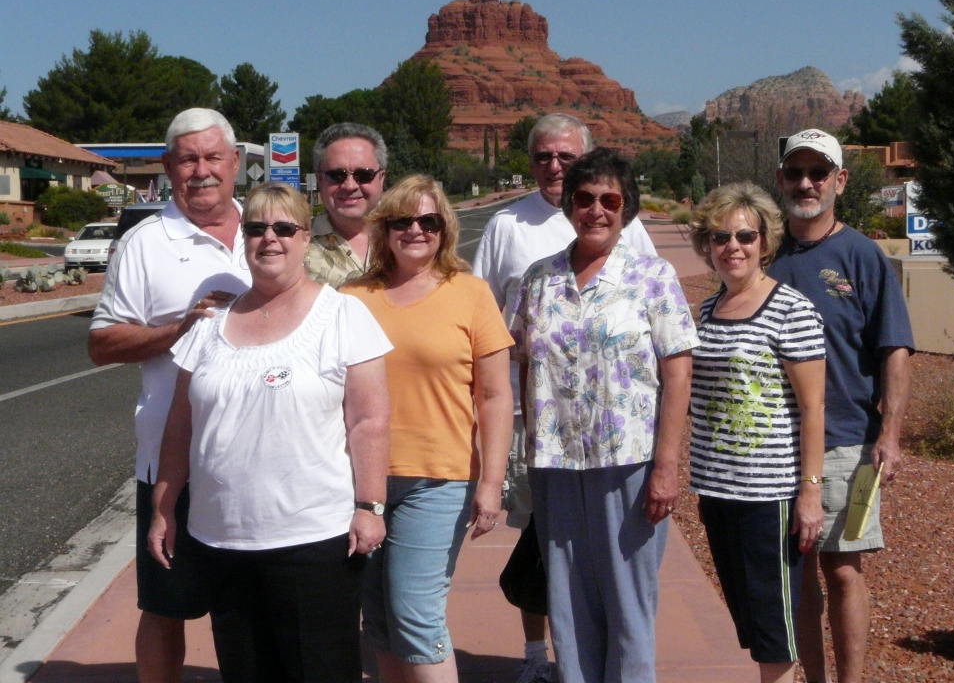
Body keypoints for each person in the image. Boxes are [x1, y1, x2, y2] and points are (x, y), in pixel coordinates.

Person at [147, 182, 391, 682]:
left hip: (314, 541)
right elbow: (179, 425)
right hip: (222, 539)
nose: (269, 239)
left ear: (305, 237)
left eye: (284, 228)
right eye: (256, 228)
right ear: (244, 240)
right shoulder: (210, 323)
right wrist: (163, 509)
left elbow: (369, 422)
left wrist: (369, 507)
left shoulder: (342, 315)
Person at [472, 113, 656, 683]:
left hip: (620, 440)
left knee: (614, 571)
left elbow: (668, 348)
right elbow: (487, 328)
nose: (556, 167)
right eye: (545, 158)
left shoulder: (638, 246)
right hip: (541, 435)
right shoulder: (511, 231)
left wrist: (670, 457)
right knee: (550, 560)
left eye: (568, 158)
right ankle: (540, 659)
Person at [509, 148, 699, 683]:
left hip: (629, 463)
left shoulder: (651, 276)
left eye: (609, 199)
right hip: (555, 463)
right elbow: (522, 361)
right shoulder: (539, 278)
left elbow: (678, 372)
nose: (596, 209)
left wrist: (666, 466)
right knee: (566, 600)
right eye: (585, 198)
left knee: (628, 599)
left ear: (626, 208)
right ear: (569, 204)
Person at [88, 108, 252, 683]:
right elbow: (102, 343)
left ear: (235, 163)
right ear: (167, 166)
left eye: (213, 158)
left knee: (255, 610)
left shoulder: (272, 230)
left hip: (264, 461)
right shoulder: (144, 243)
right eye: (188, 159)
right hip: (172, 462)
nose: (201, 171)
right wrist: (175, 332)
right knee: (166, 605)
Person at [341, 175, 514, 683]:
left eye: (428, 221)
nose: (415, 230)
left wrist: (490, 483)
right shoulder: (352, 296)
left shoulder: (471, 294)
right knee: (379, 620)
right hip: (360, 481)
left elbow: (496, 395)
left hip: (439, 481)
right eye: (401, 221)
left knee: (415, 617)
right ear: (383, 229)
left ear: (445, 228)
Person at [767, 129, 914, 683]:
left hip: (847, 441)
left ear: (840, 181)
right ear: (780, 180)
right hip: (775, 446)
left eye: (818, 173)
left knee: (844, 570)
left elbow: (894, 348)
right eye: (795, 172)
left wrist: (891, 434)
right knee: (798, 576)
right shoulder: (765, 254)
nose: (806, 183)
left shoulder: (862, 257)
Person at [688, 182, 827, 683]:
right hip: (717, 490)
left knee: (775, 631)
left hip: (768, 497)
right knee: (751, 623)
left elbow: (814, 408)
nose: (733, 247)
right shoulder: (706, 312)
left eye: (746, 235)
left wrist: (809, 494)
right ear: (706, 245)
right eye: (720, 236)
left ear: (765, 242)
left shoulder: (792, 310)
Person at [305, 122, 387, 287]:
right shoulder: (295, 246)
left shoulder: (411, 238)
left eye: (363, 175)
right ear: (320, 180)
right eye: (336, 176)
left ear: (381, 178)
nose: (350, 186)